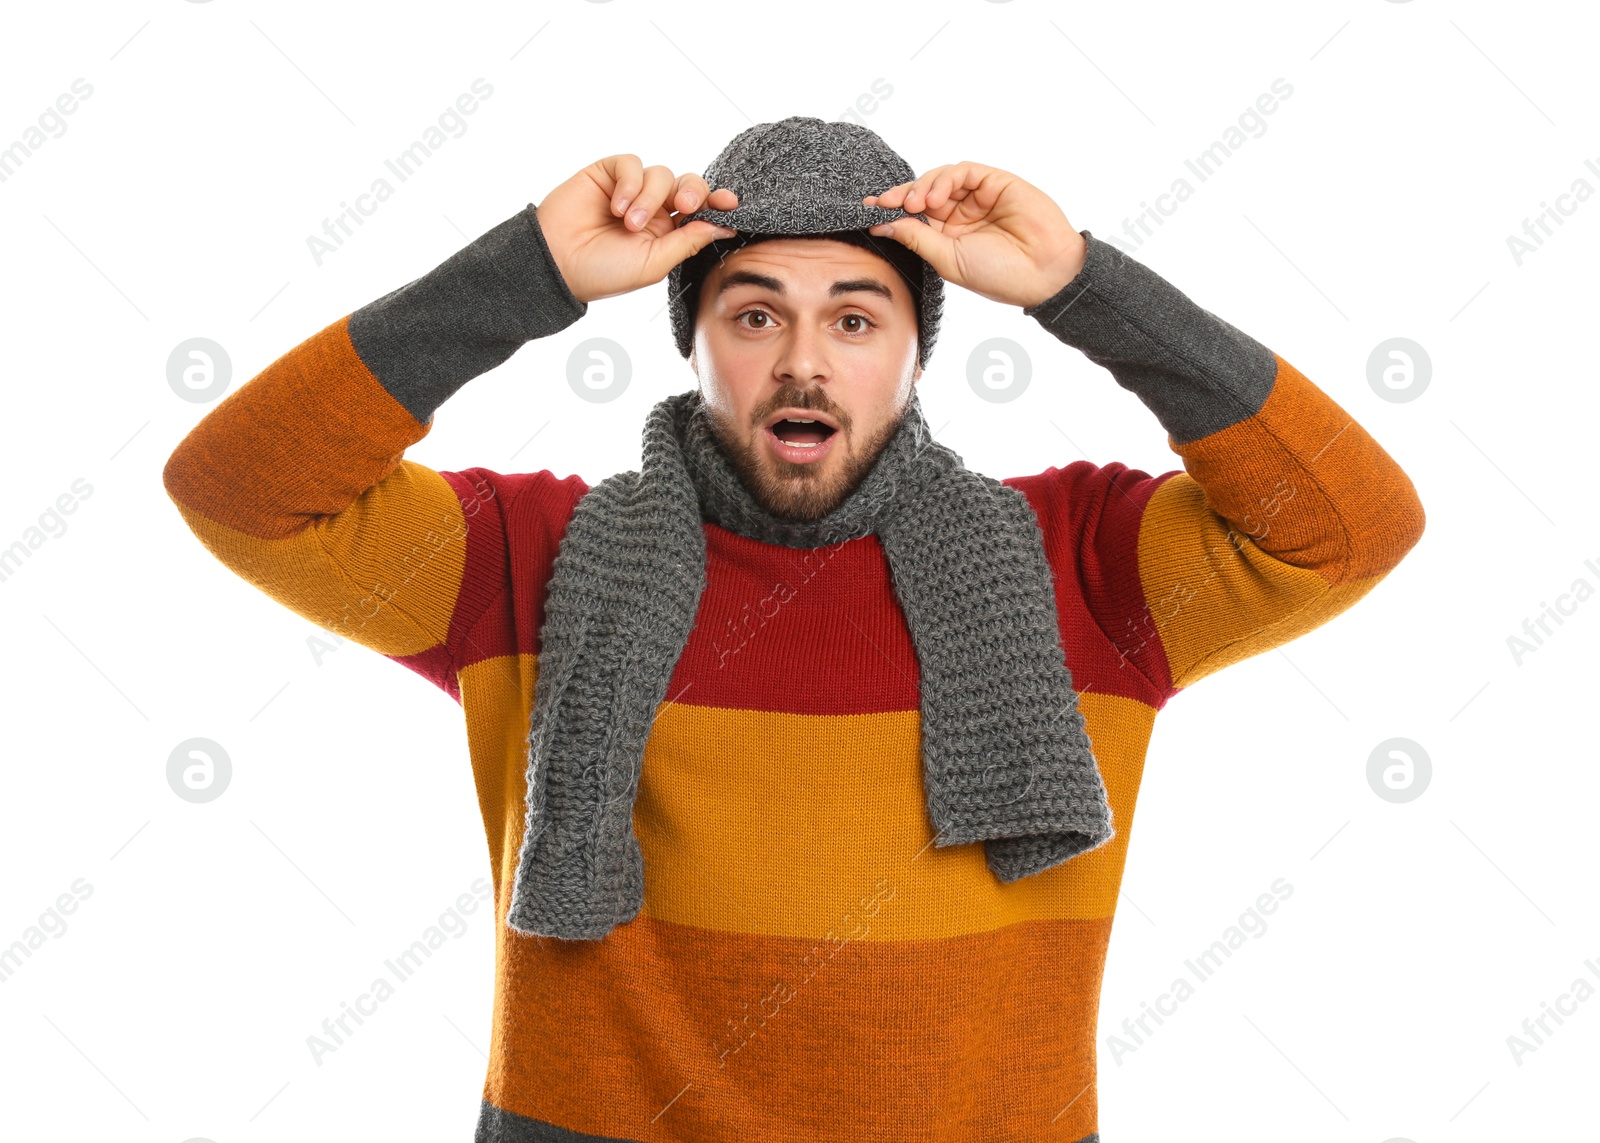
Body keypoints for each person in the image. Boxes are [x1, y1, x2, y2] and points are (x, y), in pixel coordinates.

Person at [163, 116, 1425, 1142]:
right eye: (753, 315)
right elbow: (239, 490)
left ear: (915, 355)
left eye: (857, 319)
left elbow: (1350, 527)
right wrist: (525, 276)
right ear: (695, 343)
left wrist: (1082, 288)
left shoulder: (1076, 564)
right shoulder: (528, 562)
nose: (802, 363)